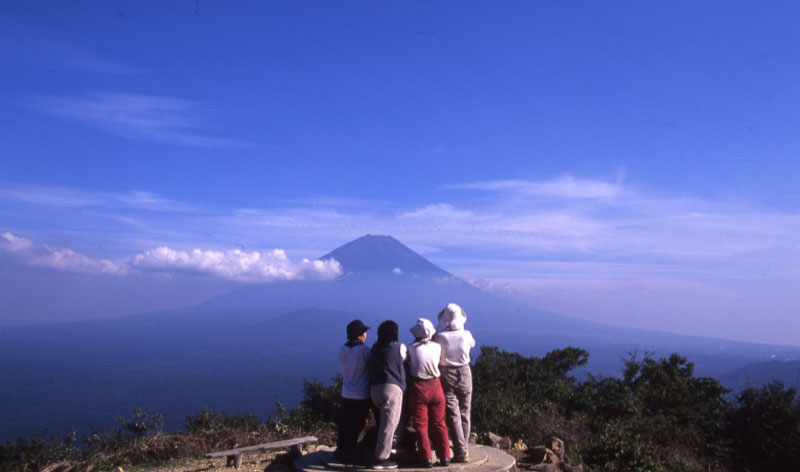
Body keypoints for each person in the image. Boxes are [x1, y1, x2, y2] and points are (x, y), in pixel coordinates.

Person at [433, 303, 476, 463]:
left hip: (446, 374)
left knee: (453, 414)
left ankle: (461, 450)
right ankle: (463, 449)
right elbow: (472, 344)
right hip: (464, 372)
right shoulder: (466, 334)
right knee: (465, 411)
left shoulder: (440, 337)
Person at [407, 318, 451, 468]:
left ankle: (426, 458)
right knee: (439, 423)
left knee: (421, 425)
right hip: (436, 386)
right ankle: (445, 456)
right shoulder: (437, 347)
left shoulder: (411, 348)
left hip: (419, 387)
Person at [367, 320, 407, 469]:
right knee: (388, 426)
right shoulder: (399, 348)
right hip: (391, 389)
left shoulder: (375, 347)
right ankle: (381, 459)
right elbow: (405, 360)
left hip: (374, 390)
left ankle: (381, 450)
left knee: (382, 423)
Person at [336, 319, 372, 464]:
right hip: (361, 394)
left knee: (345, 423)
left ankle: (340, 449)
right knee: (356, 425)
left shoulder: (341, 350)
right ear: (359, 335)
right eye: (364, 332)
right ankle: (349, 452)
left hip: (346, 392)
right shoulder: (365, 351)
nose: (366, 335)